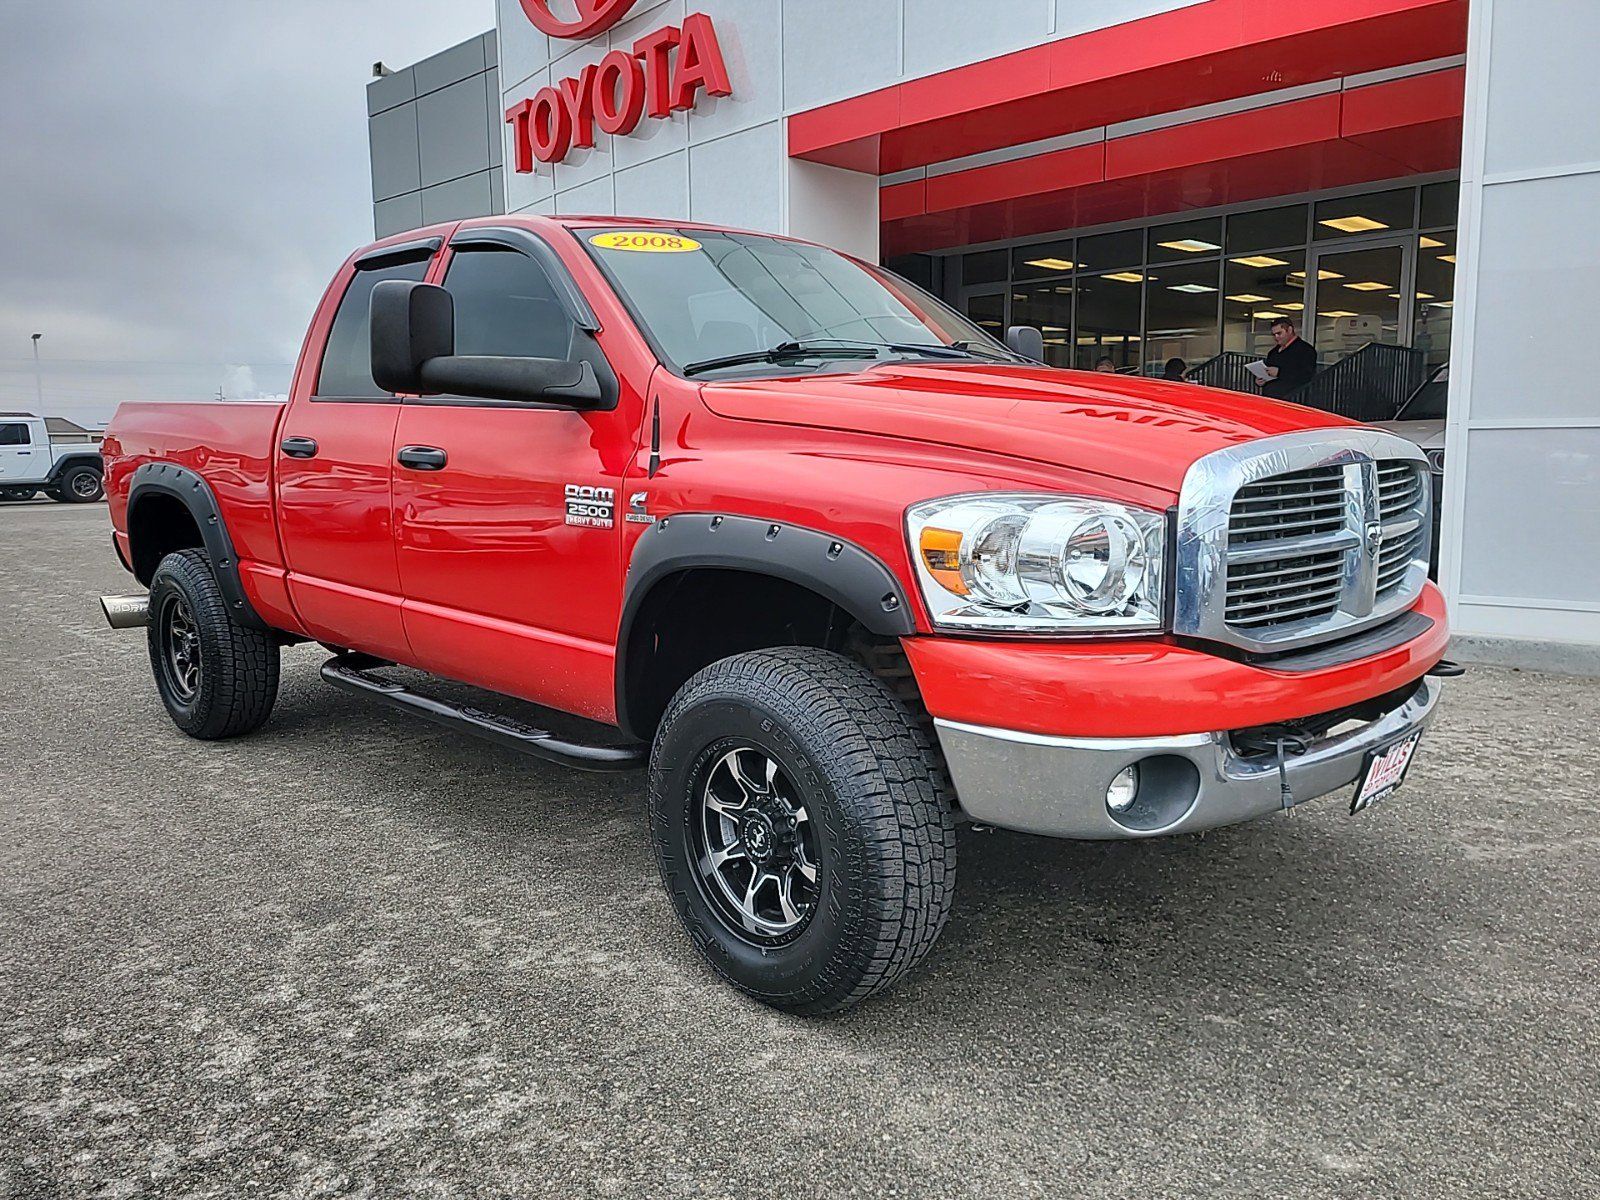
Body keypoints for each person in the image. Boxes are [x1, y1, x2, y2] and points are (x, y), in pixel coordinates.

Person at [1261, 317, 1317, 399]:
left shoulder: (1306, 350)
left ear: (1290, 330)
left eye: (1279, 333)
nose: (1276, 337)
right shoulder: (1273, 352)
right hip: (1271, 398)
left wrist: (1279, 372)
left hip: (1292, 399)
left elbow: (1306, 375)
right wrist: (1261, 380)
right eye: (1274, 335)